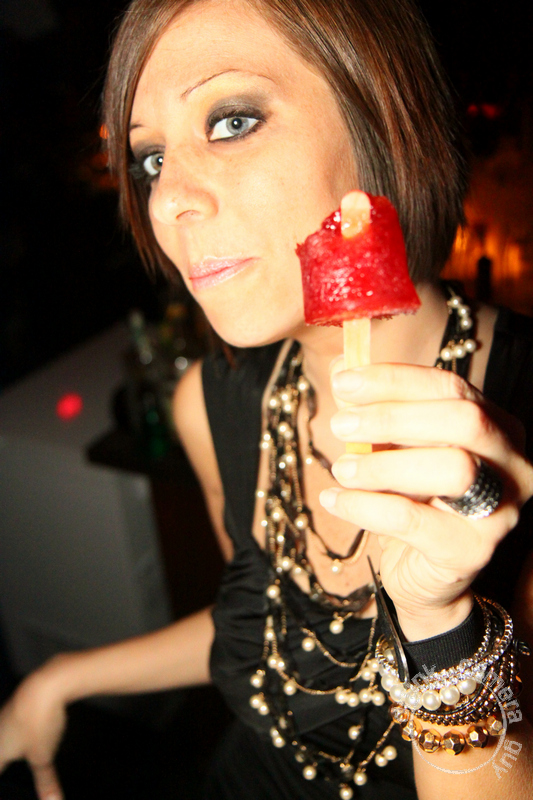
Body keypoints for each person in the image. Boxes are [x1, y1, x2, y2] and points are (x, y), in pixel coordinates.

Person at [1, 0, 533, 797]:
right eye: (151, 158)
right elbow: (263, 628)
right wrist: (60, 679)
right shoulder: (208, 402)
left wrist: (437, 629)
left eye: (231, 122)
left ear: (383, 119)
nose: (166, 199)